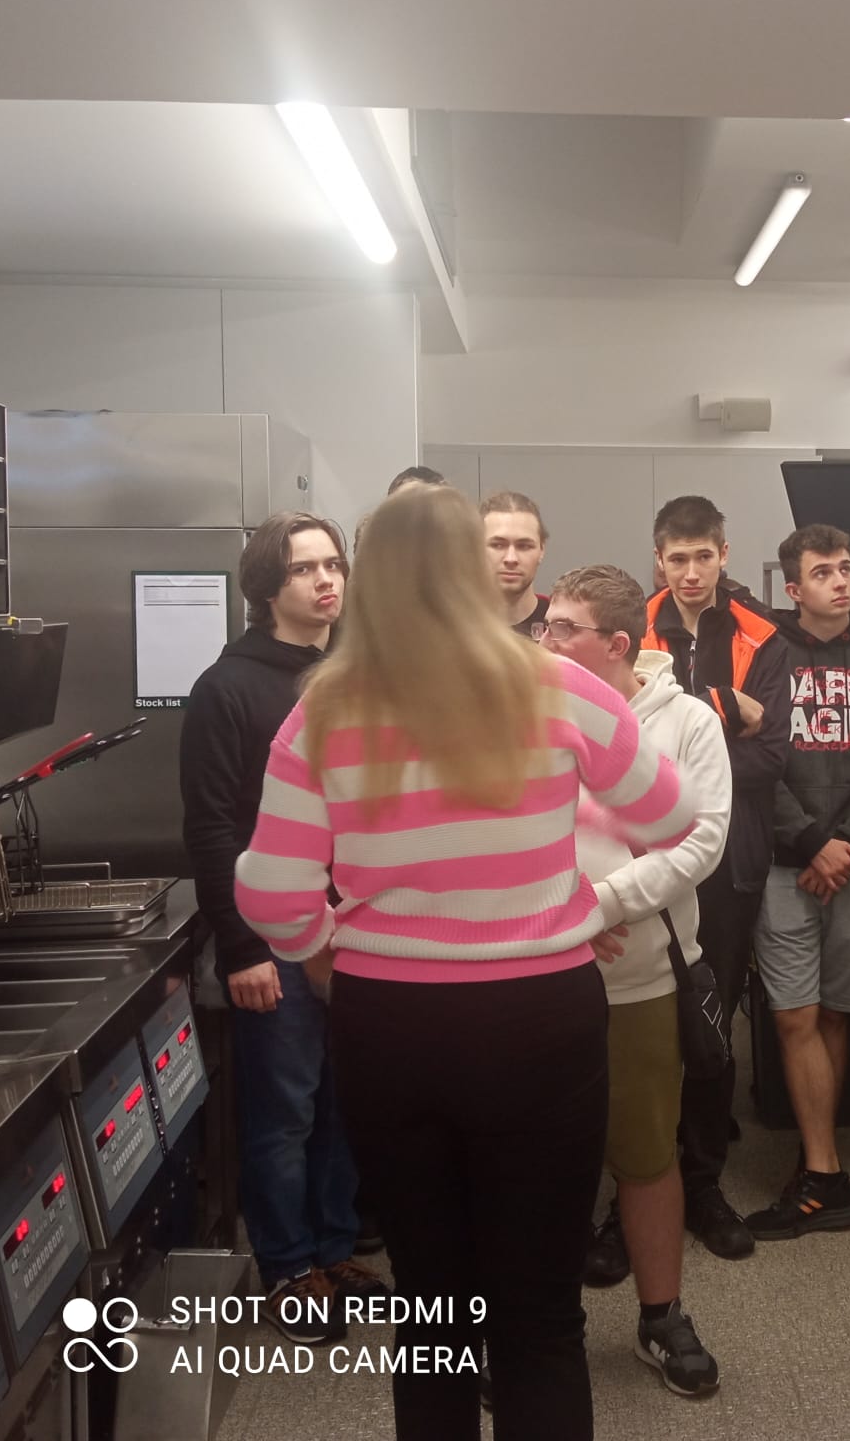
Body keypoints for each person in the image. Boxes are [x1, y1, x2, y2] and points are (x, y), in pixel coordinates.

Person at [233, 486, 701, 1441]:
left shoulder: (324, 709)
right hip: (542, 1020)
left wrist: (323, 955)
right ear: (472, 570)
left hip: (390, 1025)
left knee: (431, 1311)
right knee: (540, 1315)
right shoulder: (559, 687)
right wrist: (567, 871)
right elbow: (672, 814)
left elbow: (272, 893)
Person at [180, 512, 384, 1338]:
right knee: (284, 1111)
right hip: (272, 939)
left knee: (344, 1102)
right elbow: (212, 830)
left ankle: (334, 1247)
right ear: (267, 586)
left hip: (354, 932)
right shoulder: (226, 689)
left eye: (334, 564)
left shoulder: (354, 675)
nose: (328, 580)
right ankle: (290, 1268)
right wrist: (242, 947)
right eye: (306, 569)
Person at [539, 566, 729, 1398]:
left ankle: (662, 1317)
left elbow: (702, 840)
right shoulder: (529, 716)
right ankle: (543, 1326)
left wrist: (603, 903)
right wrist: (560, 908)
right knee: (539, 1162)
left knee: (648, 1155)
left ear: (617, 644)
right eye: (545, 625)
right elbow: (503, 824)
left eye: (563, 628)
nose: (544, 641)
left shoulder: (687, 723)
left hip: (641, 977)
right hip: (538, 970)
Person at [745, 524, 850, 1240]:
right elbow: (756, 762)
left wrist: (846, 847)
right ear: (794, 588)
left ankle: (823, 1161)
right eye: (823, 573)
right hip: (787, 867)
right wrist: (813, 843)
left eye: (846, 568)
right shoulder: (767, 657)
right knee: (794, 1016)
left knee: (838, 1015)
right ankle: (823, 1171)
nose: (840, 581)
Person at [628, 495, 789, 1262]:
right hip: (638, 856)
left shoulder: (763, 634)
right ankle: (633, 1188)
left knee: (712, 1024)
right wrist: (723, 706)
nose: (690, 573)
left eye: (703, 557)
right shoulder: (631, 627)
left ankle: (702, 1182)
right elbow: (619, 744)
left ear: (724, 554)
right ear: (658, 559)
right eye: (676, 558)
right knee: (641, 1026)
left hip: (729, 860)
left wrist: (682, 761)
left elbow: (774, 755)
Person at [482, 490, 551, 638]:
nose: (511, 558)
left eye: (524, 546)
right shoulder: (450, 628)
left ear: (542, 550)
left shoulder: (562, 629)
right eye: (498, 545)